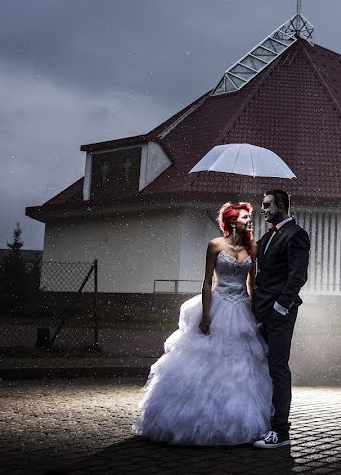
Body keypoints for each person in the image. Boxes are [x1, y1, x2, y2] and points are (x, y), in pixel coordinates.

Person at [133, 202, 272, 446]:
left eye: (250, 217)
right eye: (245, 217)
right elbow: (207, 281)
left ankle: (236, 420)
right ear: (231, 221)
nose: (250, 220)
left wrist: (256, 311)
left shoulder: (253, 247)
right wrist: (206, 315)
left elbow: (252, 284)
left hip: (241, 308)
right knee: (206, 362)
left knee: (241, 368)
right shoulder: (215, 245)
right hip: (218, 305)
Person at [252, 189, 310, 449]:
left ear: (282, 206)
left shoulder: (296, 235)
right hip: (261, 314)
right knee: (263, 369)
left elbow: (297, 276)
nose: (263, 210)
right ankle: (267, 421)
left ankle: (281, 432)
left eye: (267, 205)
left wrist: (279, 307)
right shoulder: (265, 239)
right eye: (262, 206)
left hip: (280, 314)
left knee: (278, 368)